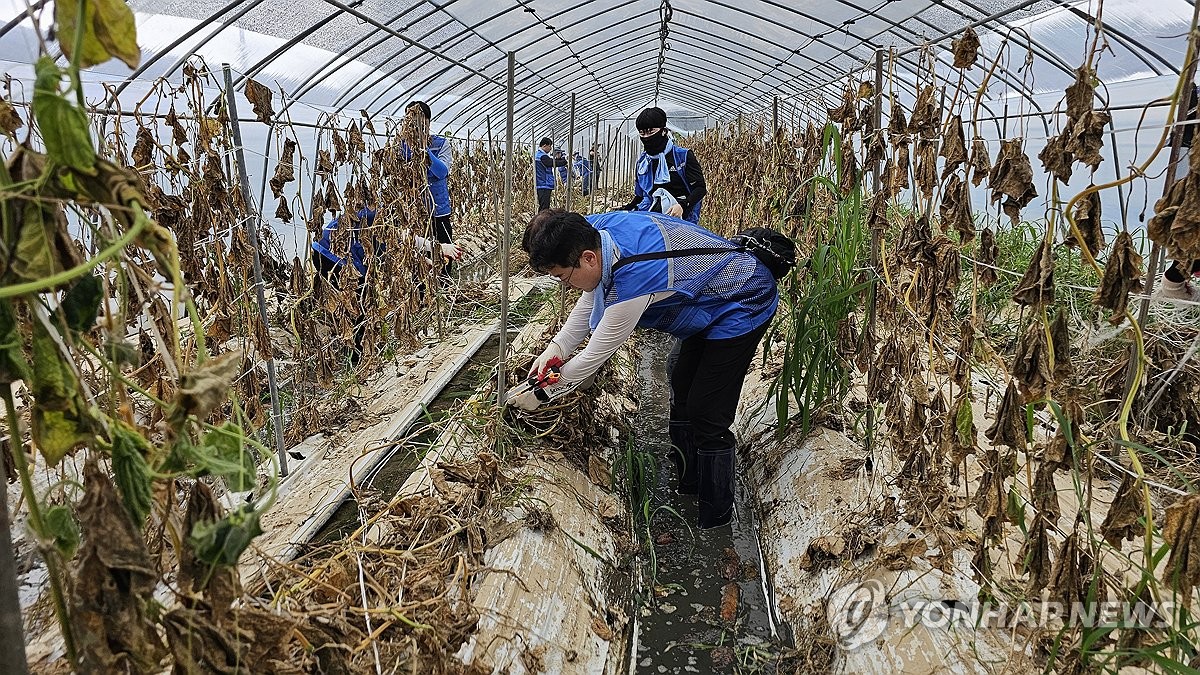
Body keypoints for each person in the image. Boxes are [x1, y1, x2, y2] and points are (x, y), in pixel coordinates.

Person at [511, 209, 779, 529]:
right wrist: (556, 349)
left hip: (743, 297)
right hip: (706, 297)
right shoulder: (596, 234)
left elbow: (594, 357)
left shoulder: (634, 278)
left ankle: (715, 519)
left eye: (563, 277)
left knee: (707, 412)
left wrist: (540, 393)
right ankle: (687, 482)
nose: (567, 286)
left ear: (587, 259)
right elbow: (590, 299)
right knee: (680, 378)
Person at [619, 107, 707, 224]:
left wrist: (683, 206)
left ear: (664, 131)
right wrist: (627, 208)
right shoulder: (643, 163)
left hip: (681, 219)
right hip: (651, 219)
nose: (646, 137)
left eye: (650, 132)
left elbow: (700, 188)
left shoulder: (683, 156)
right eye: (642, 133)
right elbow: (640, 196)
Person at [404, 100, 457, 276]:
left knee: (444, 252)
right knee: (419, 255)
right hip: (414, 212)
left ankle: (446, 288)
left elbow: (442, 172)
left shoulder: (441, 144)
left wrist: (424, 151)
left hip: (438, 210)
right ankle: (421, 296)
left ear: (427, 122)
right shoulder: (401, 147)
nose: (415, 126)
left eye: (419, 122)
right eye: (410, 122)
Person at [534, 138, 568, 211]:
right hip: (543, 184)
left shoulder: (540, 155)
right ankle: (541, 221)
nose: (550, 148)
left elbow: (551, 161)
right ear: (544, 145)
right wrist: (564, 161)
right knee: (544, 207)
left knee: (544, 206)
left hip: (542, 183)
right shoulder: (541, 156)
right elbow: (552, 163)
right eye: (550, 146)